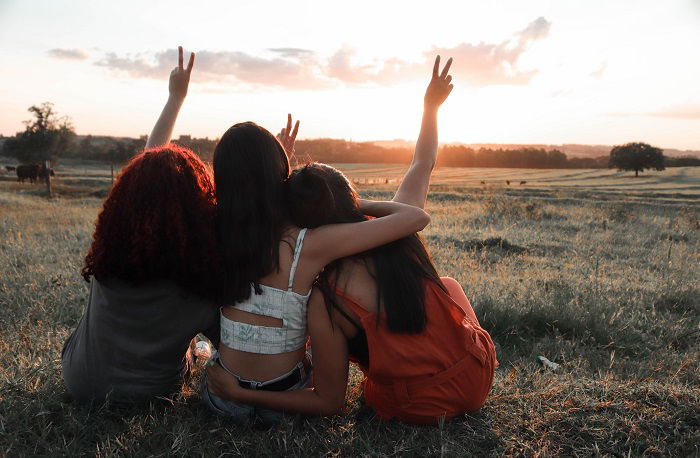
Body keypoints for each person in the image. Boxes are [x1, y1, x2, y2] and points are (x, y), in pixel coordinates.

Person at [206, 56, 498, 425]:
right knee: (448, 286)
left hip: (413, 403)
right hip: (477, 375)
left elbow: (330, 399)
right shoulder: (385, 228)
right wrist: (430, 108)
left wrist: (278, 174)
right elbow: (421, 166)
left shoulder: (309, 264)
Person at [202, 114, 431, 425]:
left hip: (220, 398)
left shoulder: (215, 231)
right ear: (277, 176)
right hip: (283, 406)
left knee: (210, 346)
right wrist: (352, 201)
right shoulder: (305, 244)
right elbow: (416, 218)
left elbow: (247, 194)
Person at [61, 47, 222, 403]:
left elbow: (148, 178)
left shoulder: (112, 256)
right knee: (199, 349)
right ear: (198, 212)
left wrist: (175, 99)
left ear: (128, 200)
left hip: (79, 381)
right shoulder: (198, 285)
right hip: (151, 396)